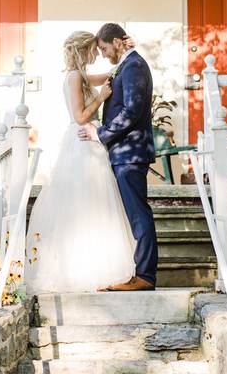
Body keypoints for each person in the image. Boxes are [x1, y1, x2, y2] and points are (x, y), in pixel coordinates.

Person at [23, 30, 136, 293]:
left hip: (90, 145)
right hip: (82, 143)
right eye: (94, 50)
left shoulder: (81, 75)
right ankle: (79, 270)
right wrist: (100, 98)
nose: (98, 53)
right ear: (84, 50)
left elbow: (112, 75)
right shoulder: (74, 77)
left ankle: (94, 265)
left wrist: (126, 50)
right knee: (84, 204)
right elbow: (80, 116)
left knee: (95, 203)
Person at [78, 23, 158, 291]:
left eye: (103, 48)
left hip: (131, 152)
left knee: (138, 214)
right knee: (134, 213)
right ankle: (139, 271)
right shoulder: (126, 64)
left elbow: (132, 110)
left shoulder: (134, 66)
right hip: (124, 152)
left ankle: (145, 275)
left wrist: (101, 134)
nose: (102, 53)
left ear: (115, 41)